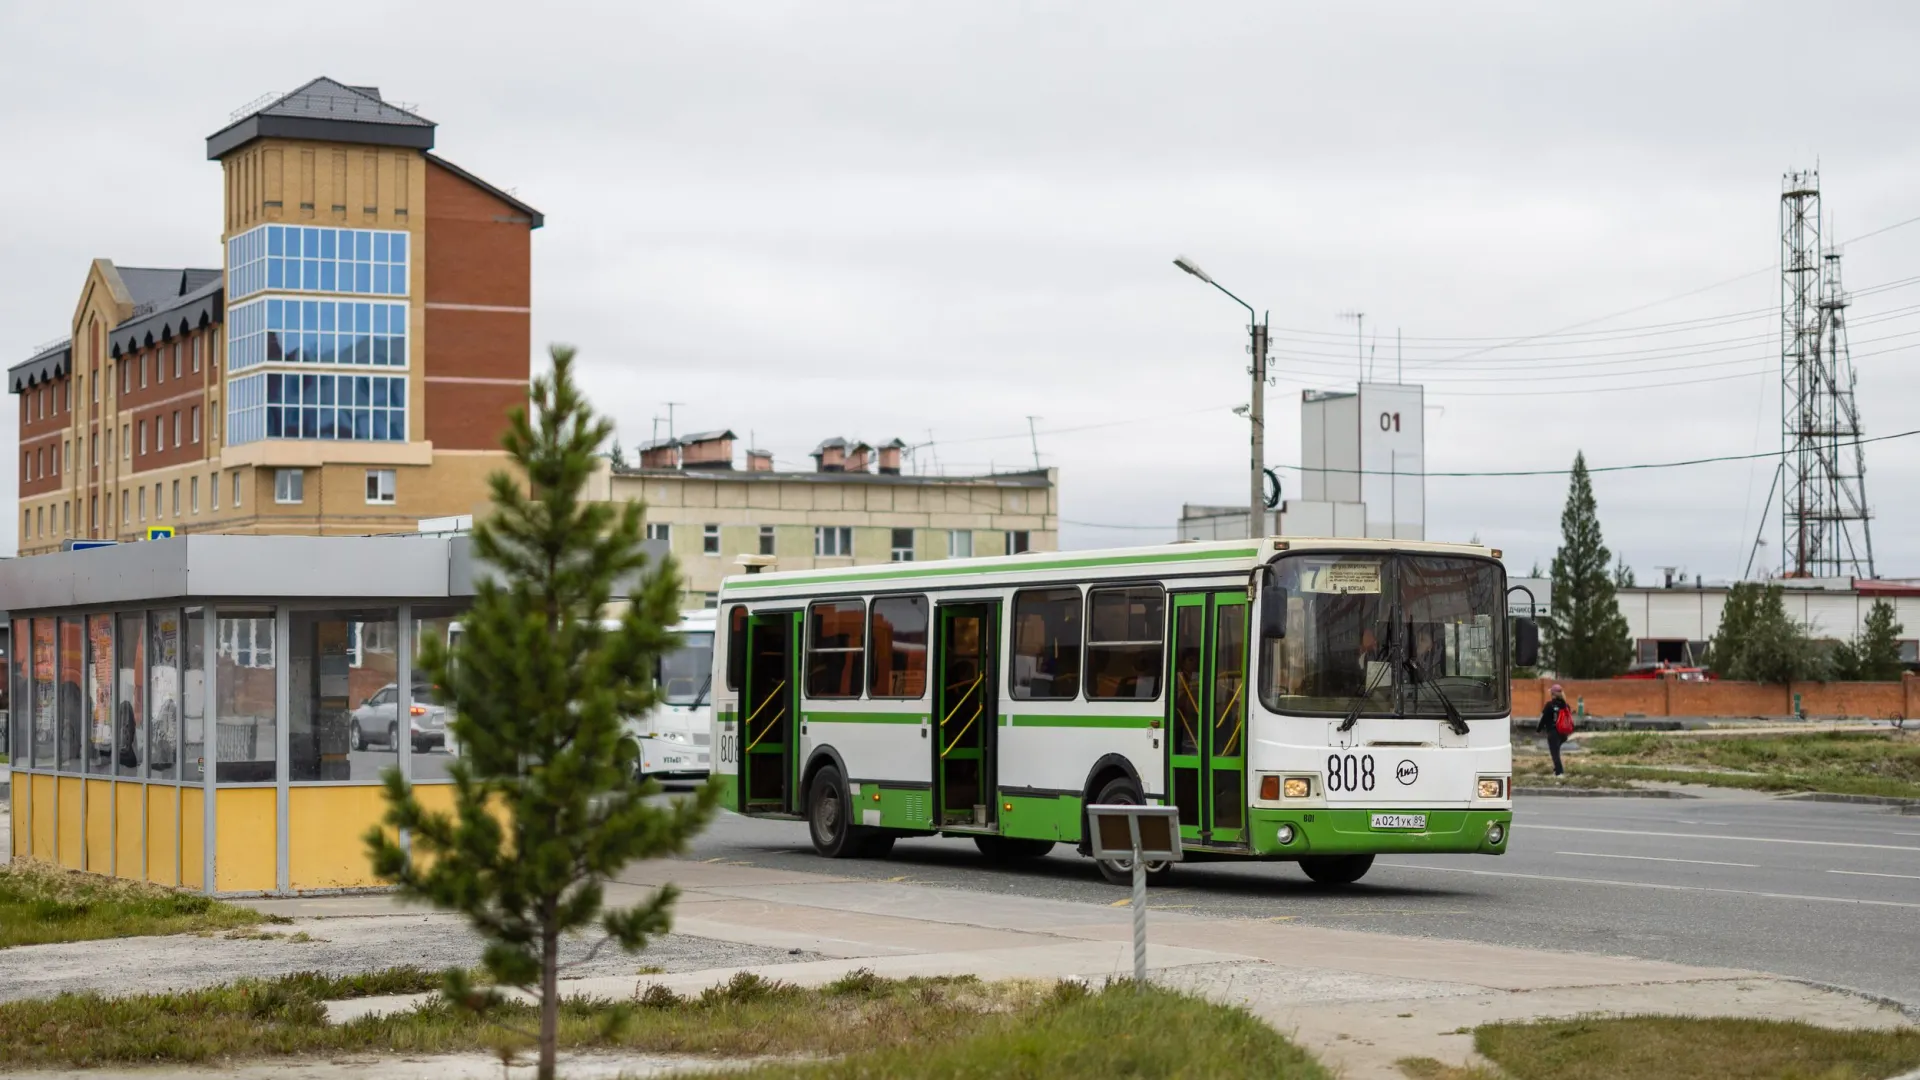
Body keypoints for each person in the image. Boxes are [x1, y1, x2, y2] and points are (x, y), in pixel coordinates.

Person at [1537, 684, 1572, 776]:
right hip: (1564, 733)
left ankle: (1559, 773)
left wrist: (1538, 729)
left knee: (1555, 754)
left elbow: (1544, 719)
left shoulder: (1549, 705)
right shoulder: (1566, 706)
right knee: (1556, 751)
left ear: (1552, 694)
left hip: (1553, 732)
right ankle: (1556, 770)